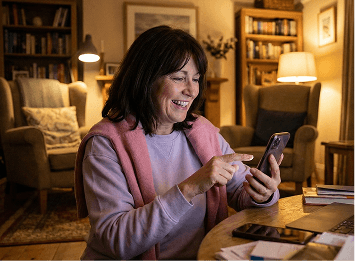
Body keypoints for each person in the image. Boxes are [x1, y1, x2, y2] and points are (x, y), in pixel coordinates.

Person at [74, 25, 282, 260]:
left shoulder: (202, 131)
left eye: (195, 79)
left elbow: (241, 194)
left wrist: (261, 193)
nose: (192, 90)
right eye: (179, 78)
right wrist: (190, 187)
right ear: (145, 78)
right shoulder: (105, 144)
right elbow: (116, 240)